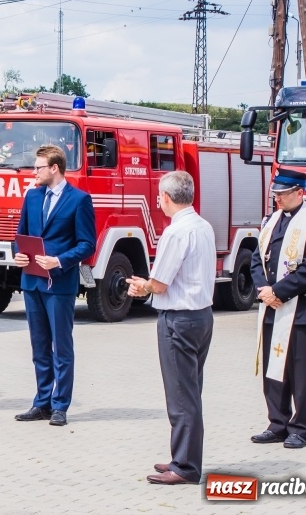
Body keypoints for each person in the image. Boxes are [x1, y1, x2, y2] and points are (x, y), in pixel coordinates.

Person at [126, 171, 216, 486]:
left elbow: (160, 284)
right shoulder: (203, 226)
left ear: (165, 197)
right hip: (202, 315)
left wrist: (141, 287)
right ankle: (183, 456)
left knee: (181, 396)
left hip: (178, 319)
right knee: (190, 391)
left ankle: (187, 467)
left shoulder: (176, 233)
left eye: (158, 197)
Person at [13, 144, 96, 427]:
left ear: (54, 168)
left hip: (59, 285)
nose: (33, 172)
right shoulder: (32, 197)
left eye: (38, 167)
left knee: (61, 347)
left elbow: (87, 244)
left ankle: (61, 405)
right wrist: (18, 252)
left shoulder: (79, 200)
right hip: (32, 282)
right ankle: (42, 402)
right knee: (39, 348)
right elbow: (20, 234)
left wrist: (59, 261)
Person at [249, 168, 306, 449]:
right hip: (272, 306)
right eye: (275, 195)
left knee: (299, 372)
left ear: (299, 192)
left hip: (301, 310)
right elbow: (256, 260)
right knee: (274, 369)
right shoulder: (270, 221)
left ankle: (300, 428)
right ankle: (277, 423)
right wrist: (264, 292)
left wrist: (278, 291)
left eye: (282, 194)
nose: (277, 200)